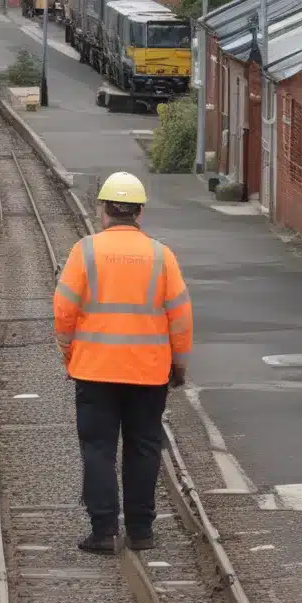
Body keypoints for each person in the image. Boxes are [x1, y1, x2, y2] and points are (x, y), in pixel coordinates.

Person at [53, 171, 192, 554]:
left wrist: (71, 354)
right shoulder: (162, 256)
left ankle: (104, 532)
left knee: (98, 448)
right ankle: (141, 531)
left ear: (103, 210)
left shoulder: (86, 252)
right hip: (148, 372)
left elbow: (63, 311)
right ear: (139, 213)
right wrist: (178, 365)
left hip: (95, 370)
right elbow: (180, 317)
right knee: (143, 447)